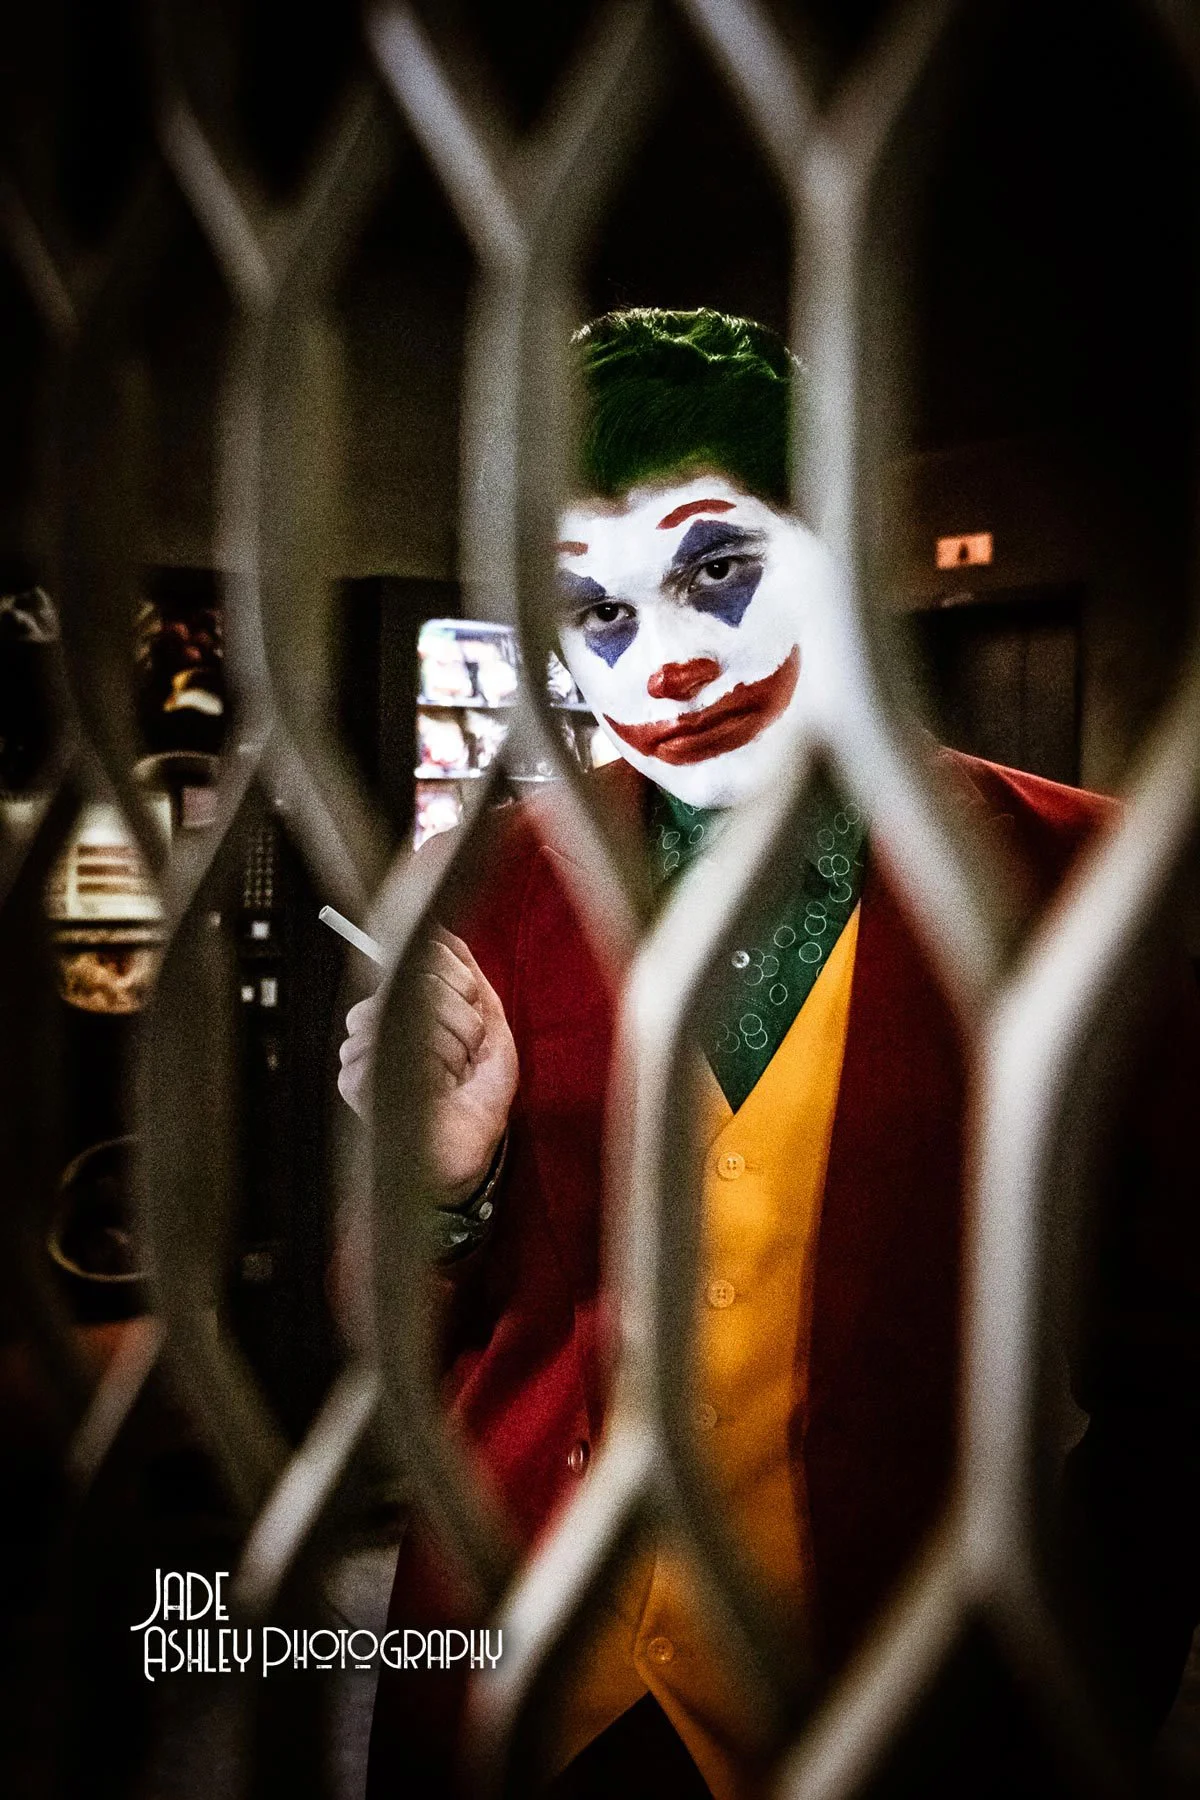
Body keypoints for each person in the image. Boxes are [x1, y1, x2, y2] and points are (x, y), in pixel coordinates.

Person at [343, 311, 1200, 1798]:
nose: (662, 664)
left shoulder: (1080, 885)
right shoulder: (485, 889)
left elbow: (1178, 1374)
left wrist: (1077, 1691)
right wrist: (442, 1190)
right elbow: (393, 1353)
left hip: (888, 1706)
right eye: (592, 612)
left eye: (717, 570)